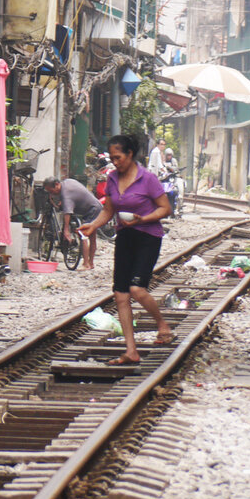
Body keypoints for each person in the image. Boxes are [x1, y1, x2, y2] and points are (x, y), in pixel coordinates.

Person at [79, 132, 174, 365]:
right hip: (124, 237)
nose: (115, 162)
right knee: (120, 294)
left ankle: (163, 326)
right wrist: (93, 226)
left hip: (148, 236)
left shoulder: (147, 178)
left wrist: (143, 219)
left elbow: (165, 209)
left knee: (137, 289)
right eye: (112, 158)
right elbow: (108, 210)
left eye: (118, 157)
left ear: (130, 154)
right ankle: (131, 351)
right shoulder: (112, 179)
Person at [44, 176, 101, 269]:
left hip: (92, 210)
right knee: (92, 236)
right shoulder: (67, 182)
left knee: (83, 235)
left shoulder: (66, 194)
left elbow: (67, 212)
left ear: (57, 185)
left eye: (51, 191)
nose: (51, 194)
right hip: (96, 205)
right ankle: (91, 263)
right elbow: (74, 195)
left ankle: (86, 263)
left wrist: (66, 230)